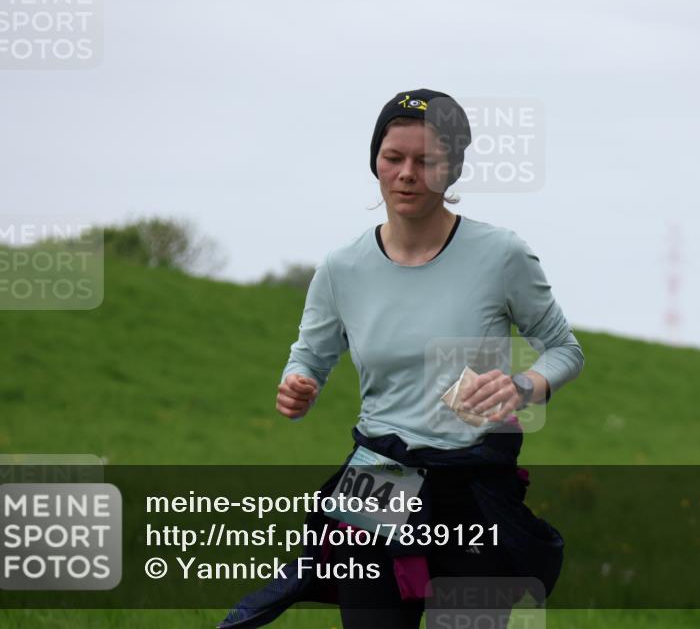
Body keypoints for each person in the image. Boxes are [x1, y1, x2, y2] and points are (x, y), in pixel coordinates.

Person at [220, 89, 584, 629]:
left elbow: (564, 349)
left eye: (426, 160)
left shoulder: (501, 255)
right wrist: (297, 382)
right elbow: (311, 357)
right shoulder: (343, 267)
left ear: (452, 169)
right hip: (379, 480)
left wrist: (524, 387)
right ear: (376, 161)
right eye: (394, 158)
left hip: (473, 487)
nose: (407, 173)